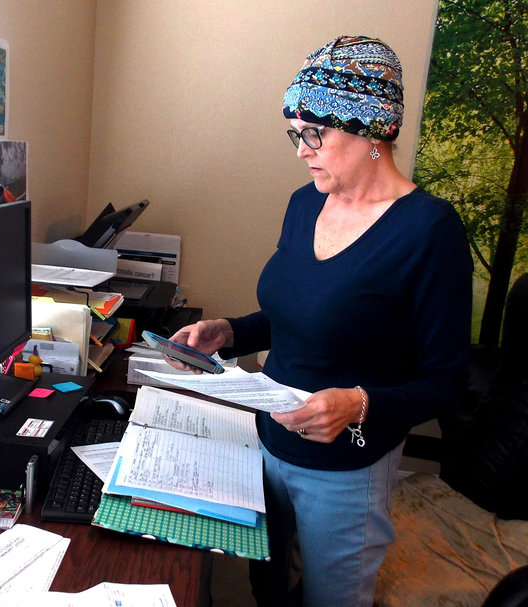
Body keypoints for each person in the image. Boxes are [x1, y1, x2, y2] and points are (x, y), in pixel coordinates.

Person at [167, 36, 472, 606]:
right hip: (263, 444)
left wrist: (357, 404)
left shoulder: (430, 231)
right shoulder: (304, 203)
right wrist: (230, 332)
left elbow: (448, 379)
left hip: (345, 469)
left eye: (315, 134)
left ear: (373, 129)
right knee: (267, 585)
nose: (302, 150)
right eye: (296, 133)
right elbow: (298, 316)